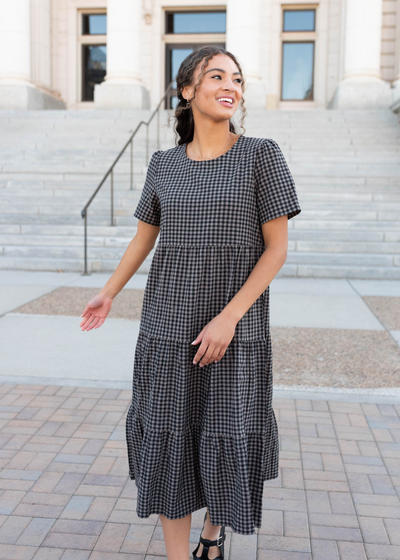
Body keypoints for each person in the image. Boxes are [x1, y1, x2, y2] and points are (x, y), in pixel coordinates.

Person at [80, 45, 301, 560]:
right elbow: (143, 238)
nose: (232, 86)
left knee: (226, 434)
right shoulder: (162, 164)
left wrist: (228, 318)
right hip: (167, 325)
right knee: (169, 438)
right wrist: (108, 292)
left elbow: (277, 250)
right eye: (217, 76)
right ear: (187, 91)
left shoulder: (261, 155)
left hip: (235, 330)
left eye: (238, 79)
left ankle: (212, 533)